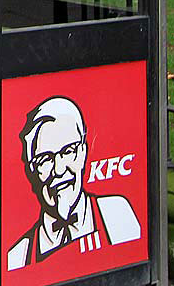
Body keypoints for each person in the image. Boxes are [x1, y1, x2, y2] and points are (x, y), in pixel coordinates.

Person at [7, 96, 140, 271]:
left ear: (84, 152)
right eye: (45, 159)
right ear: (31, 171)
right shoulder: (18, 257)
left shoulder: (116, 215)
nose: (59, 169)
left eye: (68, 151)